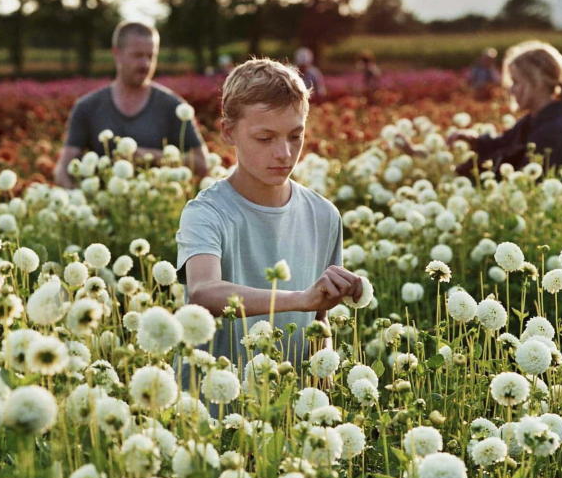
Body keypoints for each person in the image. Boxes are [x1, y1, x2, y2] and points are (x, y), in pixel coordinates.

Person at [176, 58, 363, 367]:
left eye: (295, 136)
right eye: (265, 138)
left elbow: (319, 318)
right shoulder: (206, 212)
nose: (284, 154)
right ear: (228, 131)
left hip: (290, 406)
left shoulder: (324, 215)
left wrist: (322, 376)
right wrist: (300, 299)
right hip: (214, 404)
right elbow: (203, 291)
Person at [54, 21, 208, 188]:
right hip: (104, 208)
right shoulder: (87, 107)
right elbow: (63, 170)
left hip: (157, 206)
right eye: (137, 55)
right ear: (117, 54)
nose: (145, 64)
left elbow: (201, 163)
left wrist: (149, 156)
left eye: (151, 56)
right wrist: (78, 199)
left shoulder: (173, 106)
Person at [400, 40, 562, 178]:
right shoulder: (534, 122)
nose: (511, 89)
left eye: (516, 82)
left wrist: (458, 173)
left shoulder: (552, 132)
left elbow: (518, 179)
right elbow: (500, 146)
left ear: (537, 82)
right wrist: (470, 140)